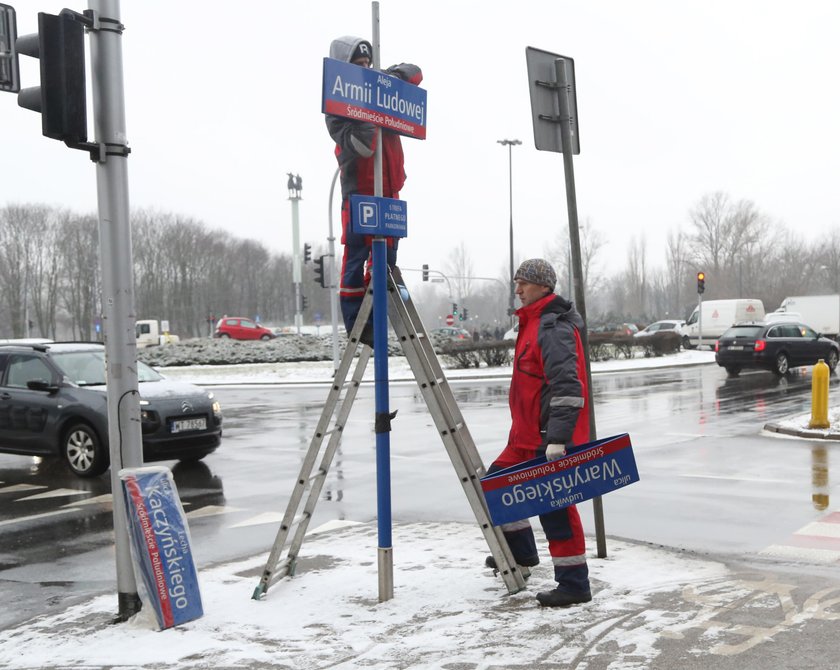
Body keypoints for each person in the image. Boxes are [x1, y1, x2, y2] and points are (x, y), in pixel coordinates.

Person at [485, 258, 592, 607]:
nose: (517, 290)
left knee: (556, 511)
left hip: (545, 438)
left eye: (524, 283)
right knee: (496, 487)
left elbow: (567, 386)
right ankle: (523, 555)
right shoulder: (531, 322)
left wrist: (558, 439)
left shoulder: (552, 327)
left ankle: (575, 584)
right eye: (516, 282)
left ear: (544, 287)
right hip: (522, 437)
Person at [325, 36, 422, 347]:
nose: (366, 69)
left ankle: (381, 313)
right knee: (356, 256)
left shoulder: (384, 89)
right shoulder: (337, 110)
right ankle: (358, 323)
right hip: (360, 192)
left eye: (368, 64)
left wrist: (391, 80)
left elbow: (416, 72)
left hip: (390, 189)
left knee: (387, 258)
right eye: (358, 66)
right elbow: (363, 147)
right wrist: (367, 110)